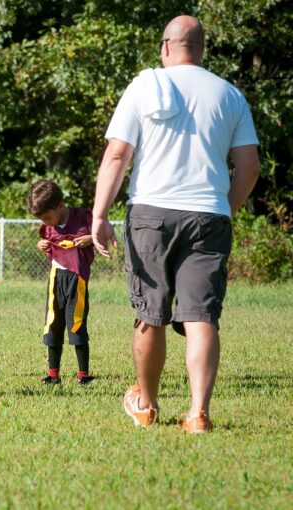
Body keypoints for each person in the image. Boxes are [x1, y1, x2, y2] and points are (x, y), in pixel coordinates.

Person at [92, 16, 260, 432]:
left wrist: (98, 215)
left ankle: (146, 405)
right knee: (201, 315)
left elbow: (117, 155)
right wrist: (225, 208)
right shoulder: (230, 94)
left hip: (150, 212)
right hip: (209, 214)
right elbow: (249, 167)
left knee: (151, 313)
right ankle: (198, 413)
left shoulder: (145, 85)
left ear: (166, 46)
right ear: (201, 49)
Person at [28, 180, 95, 385]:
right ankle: (53, 374)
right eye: (42, 220)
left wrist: (90, 238)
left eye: (48, 217)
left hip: (77, 279)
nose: (47, 223)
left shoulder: (83, 217)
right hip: (56, 278)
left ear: (60, 205)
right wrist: (41, 244)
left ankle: (83, 375)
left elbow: (102, 234)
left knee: (76, 323)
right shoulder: (49, 226)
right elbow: (46, 241)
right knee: (53, 324)